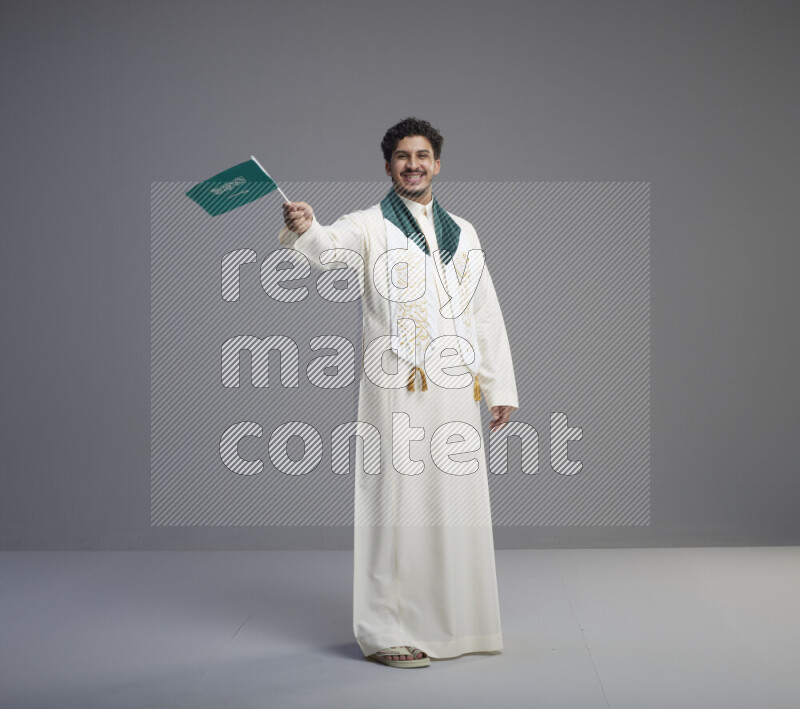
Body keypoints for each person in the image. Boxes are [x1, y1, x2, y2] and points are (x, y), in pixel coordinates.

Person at [279, 117, 518, 668]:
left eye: (422, 155)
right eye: (403, 157)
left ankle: (455, 624)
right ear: (388, 166)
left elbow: (483, 309)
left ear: (438, 164)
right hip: (398, 389)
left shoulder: (463, 231)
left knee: (453, 507)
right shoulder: (368, 225)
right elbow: (327, 249)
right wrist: (306, 226)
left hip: (455, 389)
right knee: (394, 508)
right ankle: (385, 632)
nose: (414, 165)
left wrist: (497, 383)